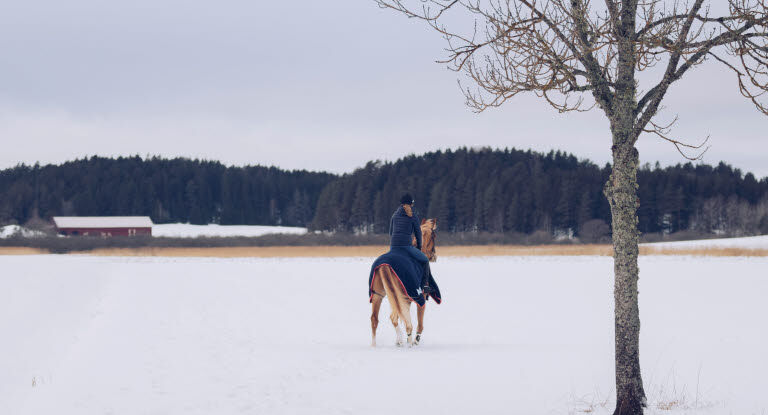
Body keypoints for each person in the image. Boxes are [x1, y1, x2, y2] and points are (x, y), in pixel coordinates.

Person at [389, 193, 432, 291]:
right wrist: (419, 247)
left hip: (393, 246)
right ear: (411, 204)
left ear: (401, 204)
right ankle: (424, 285)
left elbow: (391, 233)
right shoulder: (413, 216)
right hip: (406, 247)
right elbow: (418, 234)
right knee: (425, 260)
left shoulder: (394, 215)